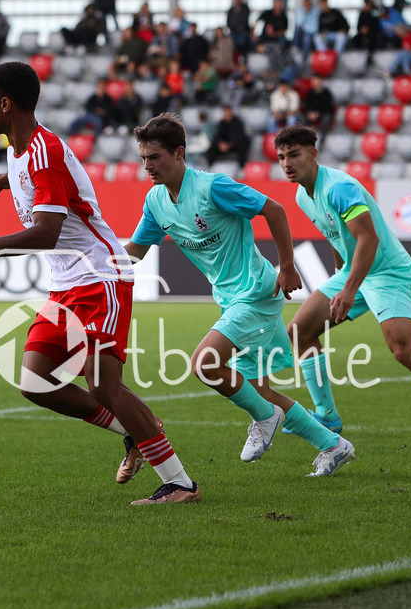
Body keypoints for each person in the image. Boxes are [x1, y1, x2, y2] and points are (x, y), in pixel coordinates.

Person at [0, 62, 198, 505]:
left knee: (104, 387)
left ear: (6, 103)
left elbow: (46, 233)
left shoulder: (44, 152)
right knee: (35, 381)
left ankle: (181, 483)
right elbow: (37, 180)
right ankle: (136, 430)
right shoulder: (20, 151)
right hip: (66, 283)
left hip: (100, 276)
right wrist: (6, 180)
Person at [126, 113, 356, 477]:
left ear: (179, 153)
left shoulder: (213, 187)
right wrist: (90, 258)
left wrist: (287, 266)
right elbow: (135, 253)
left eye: (155, 157)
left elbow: (274, 210)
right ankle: (333, 445)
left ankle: (265, 419)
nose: (147, 166)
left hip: (257, 293)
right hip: (230, 299)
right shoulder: (155, 201)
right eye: (143, 158)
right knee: (259, 391)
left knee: (204, 364)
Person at [275, 125, 411, 443]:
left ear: (313, 154)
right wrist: (340, 276)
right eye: (281, 157)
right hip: (354, 271)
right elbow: (336, 235)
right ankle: (327, 416)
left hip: (387, 271)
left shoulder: (339, 188)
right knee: (299, 332)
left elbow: (368, 238)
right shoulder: (303, 196)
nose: (287, 163)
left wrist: (348, 290)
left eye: (294, 155)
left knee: (403, 349)